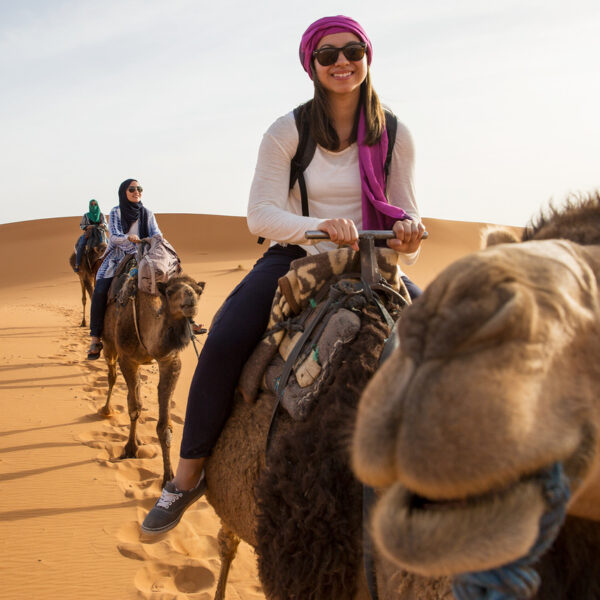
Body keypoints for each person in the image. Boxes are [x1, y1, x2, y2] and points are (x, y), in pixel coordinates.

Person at [141, 15, 426, 534]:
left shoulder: (396, 134)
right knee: (226, 339)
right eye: (328, 54)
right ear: (311, 65)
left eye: (352, 51)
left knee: (445, 337)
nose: (342, 62)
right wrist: (319, 226)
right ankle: (184, 479)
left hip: (372, 260)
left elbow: (407, 211)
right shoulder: (286, 131)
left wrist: (409, 231)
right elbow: (261, 214)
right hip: (295, 254)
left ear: (367, 57)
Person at [87, 179, 161, 360]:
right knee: (100, 290)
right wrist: (130, 239)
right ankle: (96, 337)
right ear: (123, 192)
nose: (137, 192)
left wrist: (155, 243)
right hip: (119, 256)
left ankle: (186, 321)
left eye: (140, 189)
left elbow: (156, 233)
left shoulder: (147, 213)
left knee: (172, 279)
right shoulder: (116, 212)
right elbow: (114, 236)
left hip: (146, 255)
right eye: (132, 189)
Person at [74, 199, 107, 272]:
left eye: (95, 204)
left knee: (111, 246)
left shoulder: (101, 215)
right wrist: (87, 227)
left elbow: (106, 225)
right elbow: (81, 225)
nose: (93, 206)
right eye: (92, 204)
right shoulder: (86, 215)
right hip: (89, 234)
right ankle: (77, 264)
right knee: (81, 246)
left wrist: (103, 225)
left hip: (100, 233)